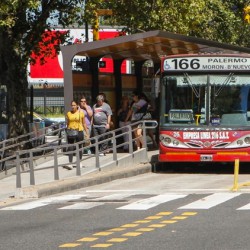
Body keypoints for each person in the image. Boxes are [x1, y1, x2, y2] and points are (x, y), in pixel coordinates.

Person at [64, 100, 89, 170]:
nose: (73, 106)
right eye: (72, 105)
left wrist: (86, 132)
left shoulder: (81, 113)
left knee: (80, 147)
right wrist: (67, 130)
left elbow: (84, 123)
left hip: (79, 130)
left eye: (74, 105)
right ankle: (70, 163)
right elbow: (68, 123)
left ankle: (79, 162)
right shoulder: (68, 113)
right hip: (71, 131)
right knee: (71, 147)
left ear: (77, 105)